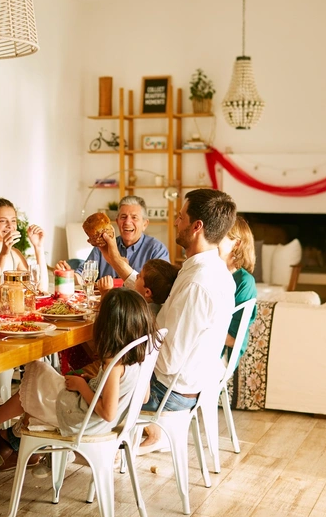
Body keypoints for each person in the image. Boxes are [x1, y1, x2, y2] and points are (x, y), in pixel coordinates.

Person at [0, 289, 158, 460]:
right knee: (44, 380)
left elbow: (108, 413)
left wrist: (82, 387)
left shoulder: (114, 366)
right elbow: (145, 396)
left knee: (38, 373)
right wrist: (93, 383)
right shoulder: (139, 358)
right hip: (91, 417)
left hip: (83, 421)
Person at [139, 189, 237, 453]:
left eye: (180, 217)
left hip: (167, 394)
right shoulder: (214, 271)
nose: (175, 222)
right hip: (185, 387)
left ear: (196, 226)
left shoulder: (197, 283)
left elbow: (169, 361)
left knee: (89, 377)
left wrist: (135, 342)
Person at [56, 195, 169, 287]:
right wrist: (68, 275)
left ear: (145, 224)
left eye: (134, 217)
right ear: (117, 221)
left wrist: (118, 263)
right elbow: (83, 277)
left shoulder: (157, 250)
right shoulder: (102, 246)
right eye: (123, 217)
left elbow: (158, 290)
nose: (127, 222)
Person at [0, 198, 48, 293]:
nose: (10, 225)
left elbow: (39, 290)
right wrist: (4, 253)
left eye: (13, 221)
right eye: (3, 221)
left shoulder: (15, 254)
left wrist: (38, 247)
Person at [219, 216, 258, 362]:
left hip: (220, 356)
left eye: (219, 236)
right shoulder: (212, 273)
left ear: (236, 243)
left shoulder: (244, 282)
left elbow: (235, 339)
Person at [98, 258, 179, 318]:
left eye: (140, 276)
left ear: (147, 292)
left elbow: (108, 321)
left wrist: (105, 293)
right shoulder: (155, 308)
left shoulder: (140, 311)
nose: (136, 276)